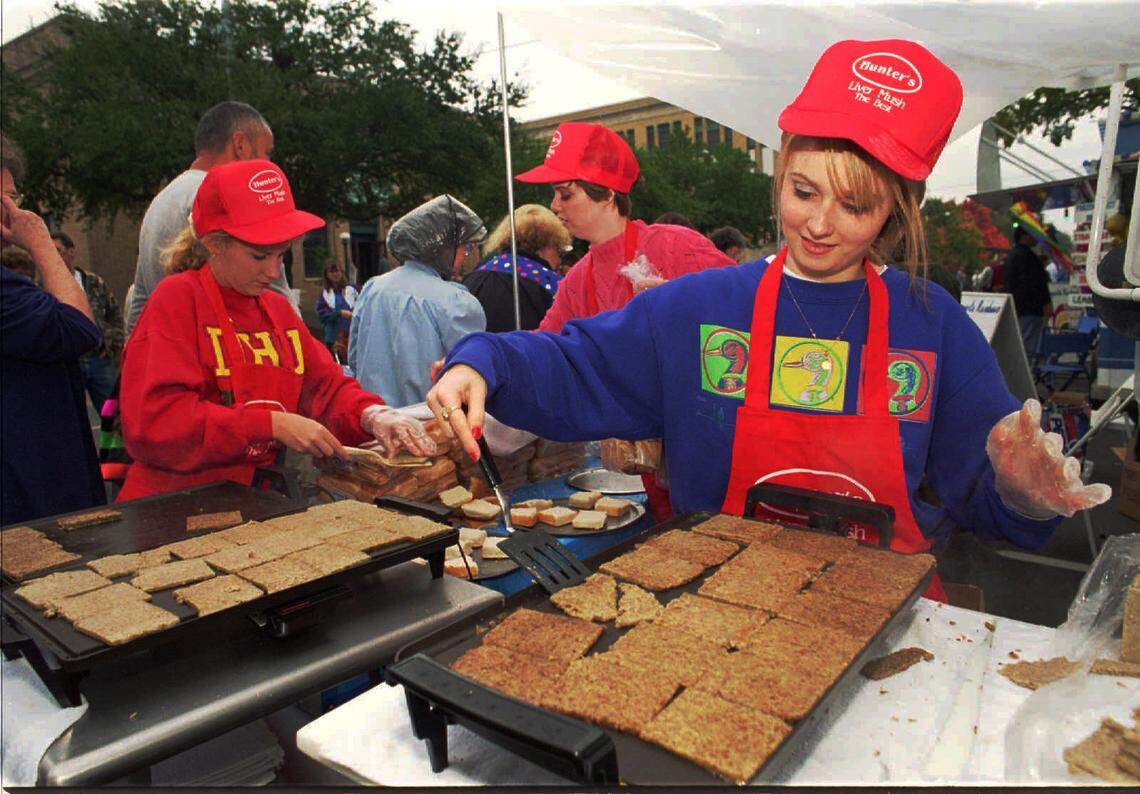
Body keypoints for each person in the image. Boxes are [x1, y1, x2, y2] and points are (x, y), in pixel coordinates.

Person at [427, 39, 1109, 602]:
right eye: (803, 190)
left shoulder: (935, 329)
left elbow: (991, 508)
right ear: (779, 175)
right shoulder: (697, 310)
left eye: (855, 205)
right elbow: (574, 365)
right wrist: (483, 360)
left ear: (896, 212)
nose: (817, 222)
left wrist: (1024, 492)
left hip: (885, 628)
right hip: (721, 614)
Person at [117, 159, 435, 500]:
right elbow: (157, 423)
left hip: (251, 499)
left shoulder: (276, 310)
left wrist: (373, 416)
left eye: (280, 255)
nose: (272, 271)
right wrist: (271, 425)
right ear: (214, 244)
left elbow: (326, 387)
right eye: (259, 256)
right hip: (172, 503)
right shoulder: (177, 300)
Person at [514, 121, 732, 520]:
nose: (555, 206)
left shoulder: (676, 246)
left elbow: (745, 318)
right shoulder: (578, 276)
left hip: (709, 449)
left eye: (566, 194)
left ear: (608, 194)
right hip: (644, 461)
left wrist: (684, 310)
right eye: (554, 195)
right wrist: (489, 361)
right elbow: (546, 344)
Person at [1, 133, 106, 523]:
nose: (15, 212)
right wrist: (42, 244)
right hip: (32, 497)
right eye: (7, 199)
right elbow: (80, 329)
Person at [127, 101, 289, 335]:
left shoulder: (159, 203)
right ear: (240, 144)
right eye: (267, 152)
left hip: (180, 351)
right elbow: (275, 294)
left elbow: (141, 300)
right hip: (234, 357)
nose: (270, 165)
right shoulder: (229, 199)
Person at [348, 195, 486, 408]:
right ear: (442, 248)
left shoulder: (373, 288)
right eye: (465, 247)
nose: (467, 255)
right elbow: (472, 372)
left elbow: (355, 357)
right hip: (432, 425)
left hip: (375, 421)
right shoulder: (454, 301)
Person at [462, 204, 571, 332]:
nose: (559, 260)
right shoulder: (550, 286)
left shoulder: (474, 278)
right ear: (546, 245)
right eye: (559, 250)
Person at [52, 231, 123, 412]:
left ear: (71, 252)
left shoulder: (93, 282)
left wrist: (112, 344)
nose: (55, 257)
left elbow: (114, 314)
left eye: (58, 251)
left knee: (112, 413)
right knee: (71, 414)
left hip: (100, 359)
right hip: (71, 361)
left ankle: (116, 441)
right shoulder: (47, 286)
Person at [1005, 223, 1052, 358]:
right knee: (1028, 346)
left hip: (1018, 308)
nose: (1036, 238)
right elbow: (1035, 283)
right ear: (1024, 236)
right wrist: (1046, 302)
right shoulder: (1027, 257)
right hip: (1031, 309)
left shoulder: (1012, 255)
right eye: (1033, 234)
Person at [315, 260, 357, 359]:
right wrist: (339, 313)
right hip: (335, 339)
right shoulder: (324, 295)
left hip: (352, 337)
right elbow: (322, 317)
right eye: (331, 272)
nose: (335, 274)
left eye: (337, 271)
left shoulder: (352, 290)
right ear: (326, 275)